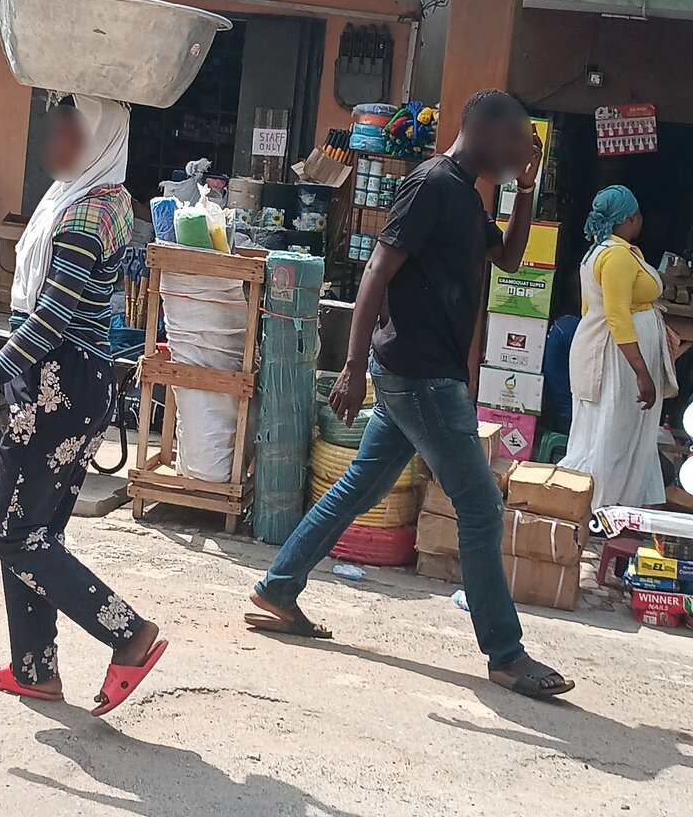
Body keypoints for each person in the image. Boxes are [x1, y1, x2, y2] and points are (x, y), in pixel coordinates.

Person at [246, 90, 576, 700]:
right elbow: (377, 269)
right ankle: (506, 655)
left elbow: (506, 258)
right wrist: (350, 364)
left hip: (420, 372)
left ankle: (277, 589)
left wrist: (525, 189)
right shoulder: (429, 185)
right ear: (475, 126)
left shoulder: (468, 195)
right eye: (512, 139)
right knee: (480, 508)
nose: (517, 149)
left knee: (359, 487)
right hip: (420, 374)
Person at [0, 95, 167, 716]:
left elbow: (50, 320)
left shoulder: (85, 217)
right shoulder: (106, 196)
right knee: (35, 530)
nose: (52, 147)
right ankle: (34, 667)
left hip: (57, 385)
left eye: (68, 135)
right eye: (52, 132)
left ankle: (129, 633)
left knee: (10, 531)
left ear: (98, 141)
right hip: (79, 385)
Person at [558, 186, 677, 510]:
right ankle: (599, 506)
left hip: (610, 352)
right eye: (636, 214)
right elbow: (618, 316)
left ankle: (613, 503)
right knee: (612, 432)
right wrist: (642, 373)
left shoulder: (605, 251)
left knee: (611, 430)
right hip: (615, 358)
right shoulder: (616, 256)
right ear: (628, 219)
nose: (640, 219)